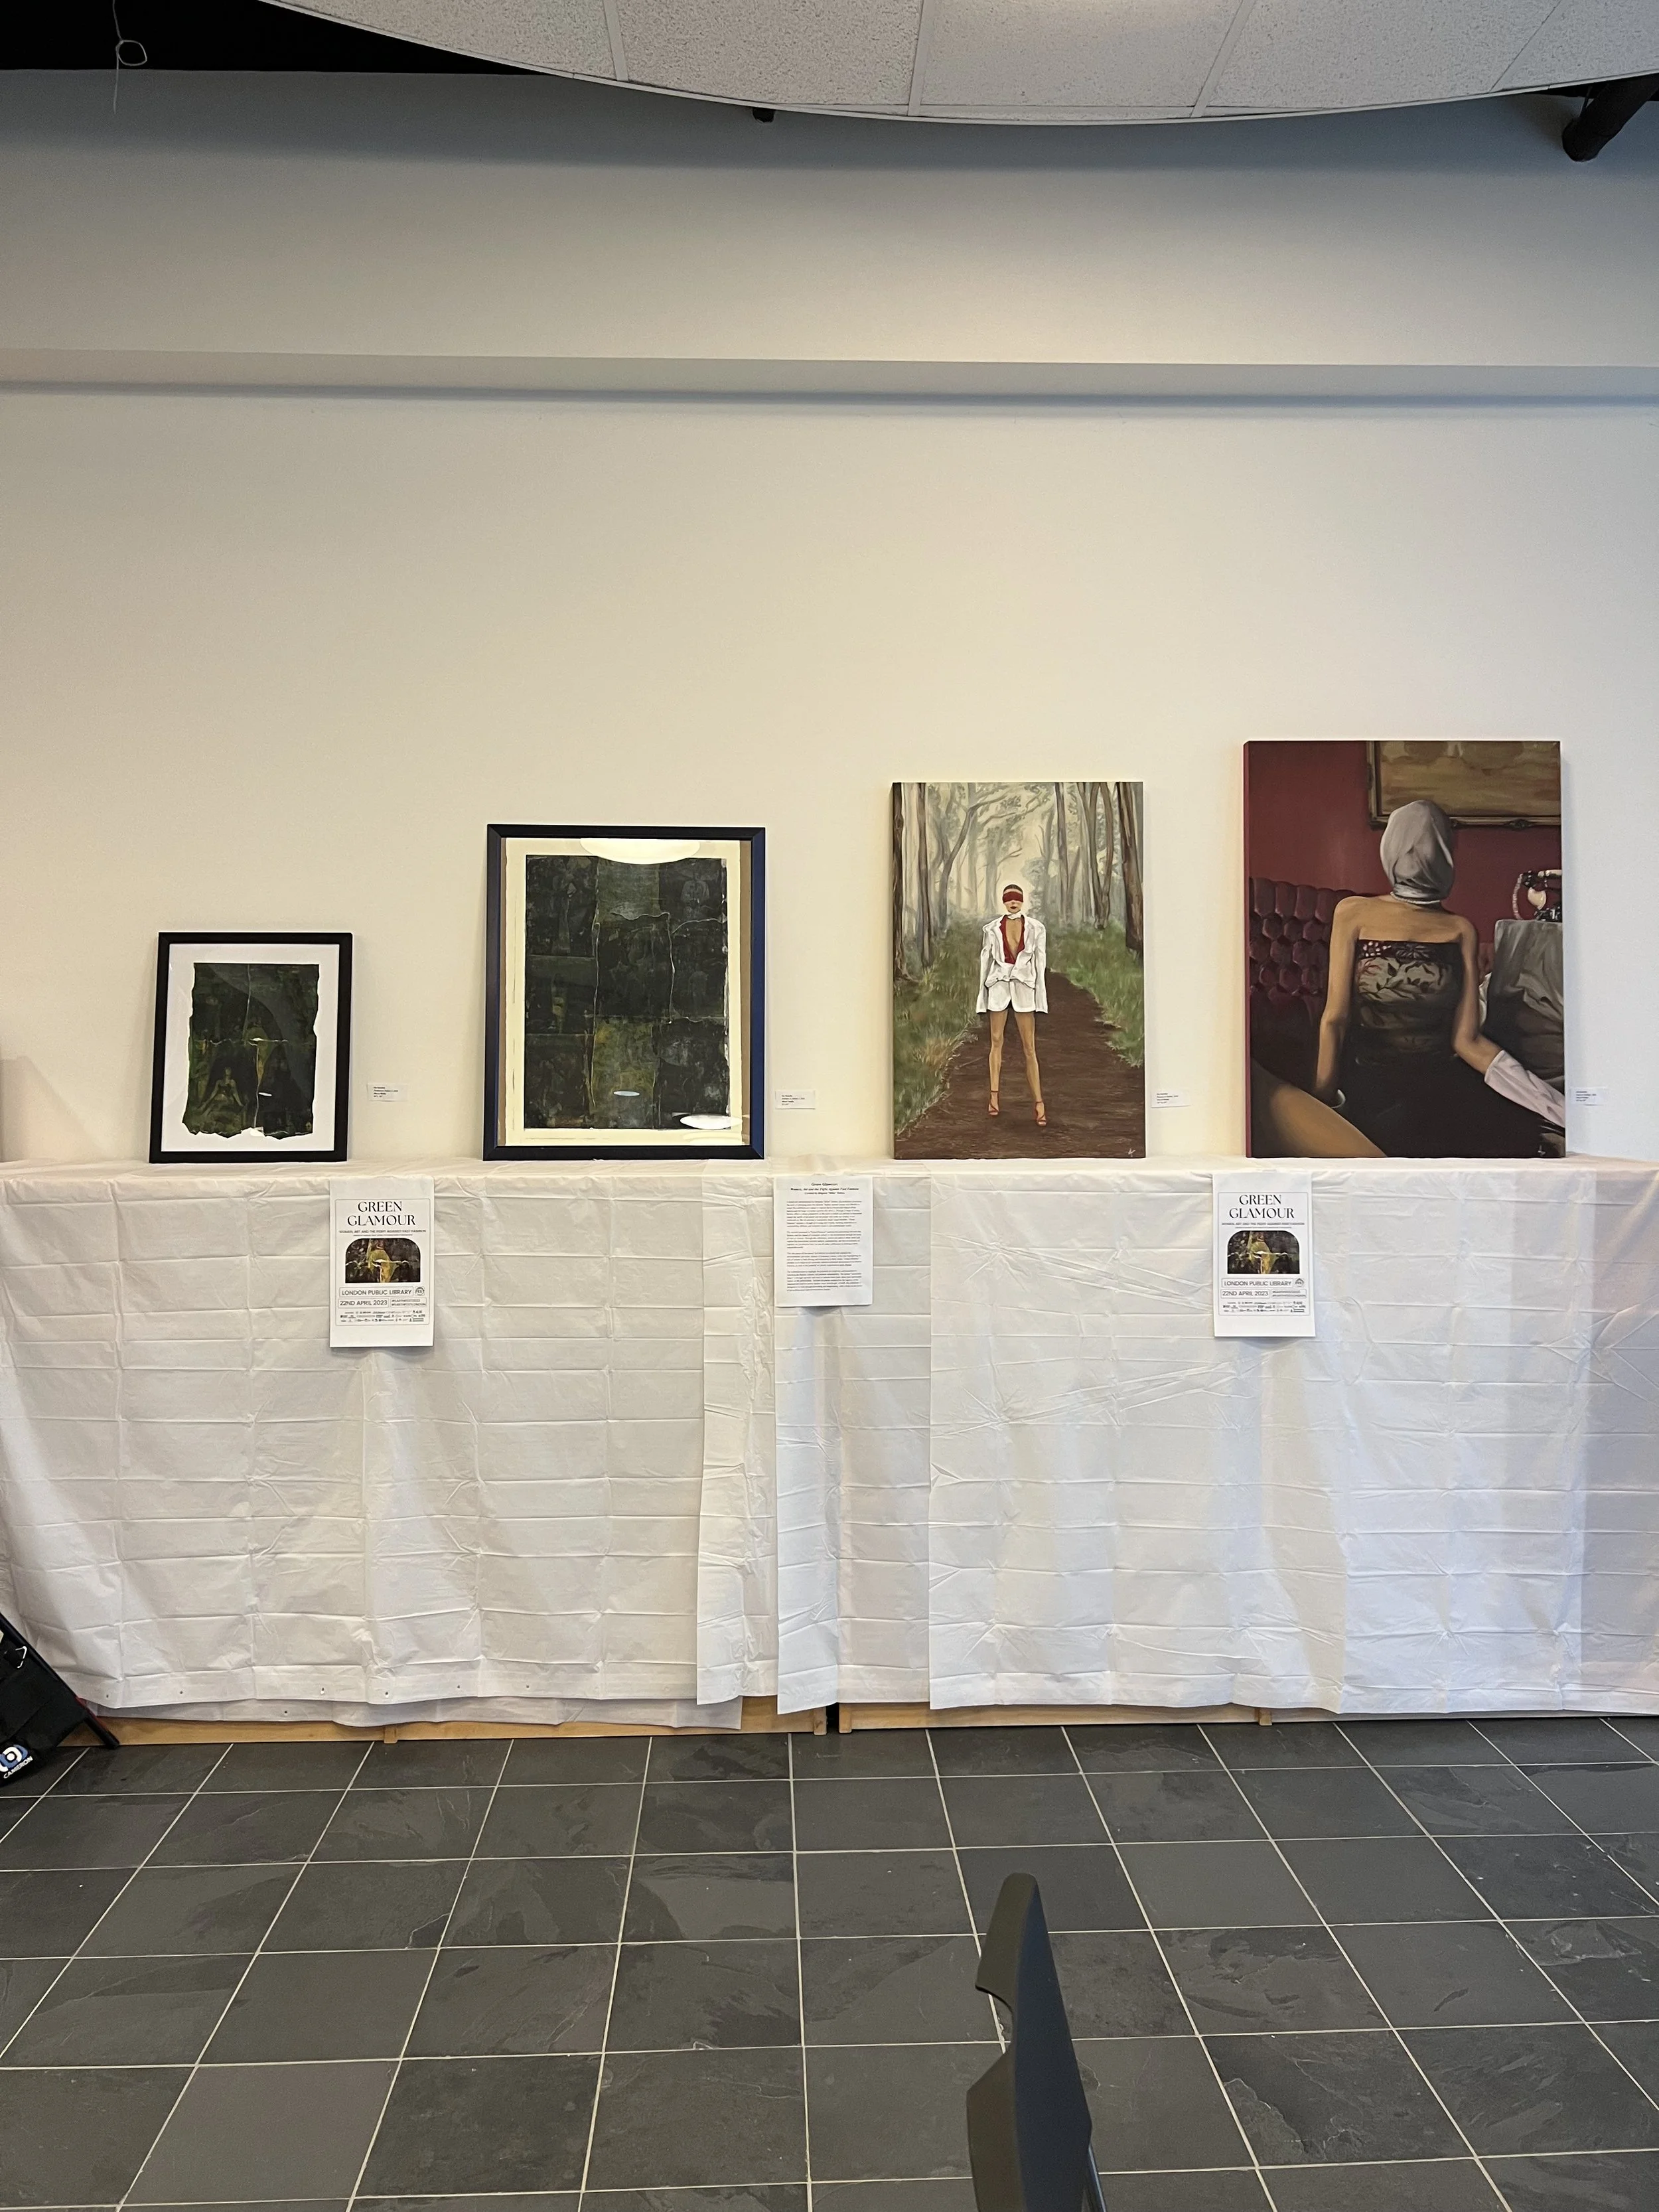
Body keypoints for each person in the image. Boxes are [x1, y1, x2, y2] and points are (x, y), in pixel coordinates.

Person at [1314, 799, 1563, 1156]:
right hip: (1371, 1085)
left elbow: (1467, 1041)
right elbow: (1334, 1020)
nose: (1424, 856)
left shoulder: (1459, 929)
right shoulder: (1354, 912)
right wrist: (1324, 1103)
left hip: (1440, 1084)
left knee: (1524, 1141)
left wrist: (1552, 1104)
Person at [977, 883, 1047, 1126]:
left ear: (1022, 901)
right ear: (1004, 902)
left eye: (1016, 899)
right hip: (997, 986)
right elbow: (985, 962)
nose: (1013, 903)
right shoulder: (991, 929)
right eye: (1008, 899)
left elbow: (1040, 963)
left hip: (1024, 987)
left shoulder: (1037, 928)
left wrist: (1041, 1000)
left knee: (1030, 1047)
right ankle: (994, 1098)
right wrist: (982, 998)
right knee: (996, 1042)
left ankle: (1039, 1103)